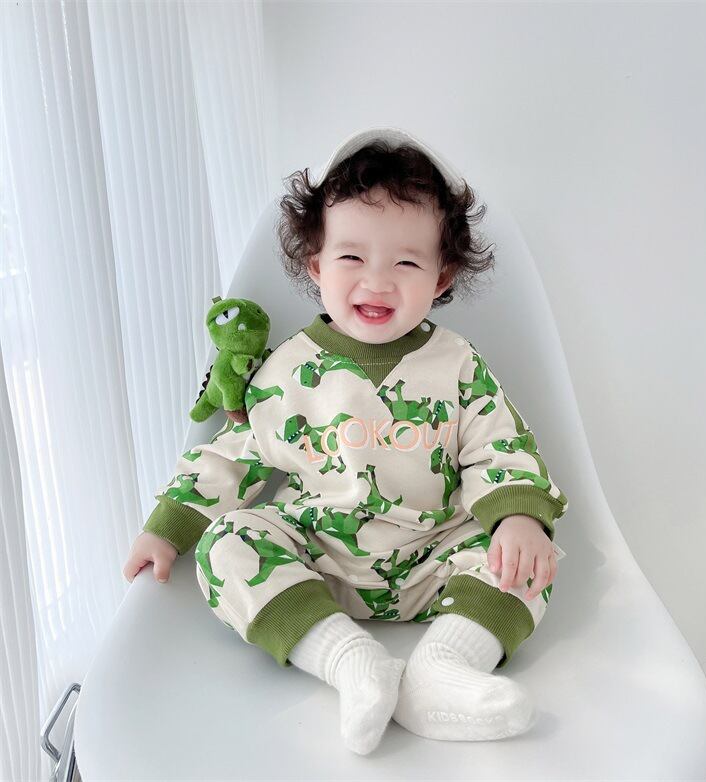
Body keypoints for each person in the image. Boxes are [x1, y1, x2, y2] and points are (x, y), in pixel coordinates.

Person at [122, 126, 568, 755]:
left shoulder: (456, 363)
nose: (377, 282)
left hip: (435, 554)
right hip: (322, 559)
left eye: (406, 263)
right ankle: (350, 661)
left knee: (529, 558)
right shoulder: (286, 370)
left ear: (441, 278)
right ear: (317, 266)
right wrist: (168, 527)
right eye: (352, 258)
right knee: (228, 546)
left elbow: (499, 445)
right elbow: (235, 454)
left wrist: (518, 517)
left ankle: (442, 667)